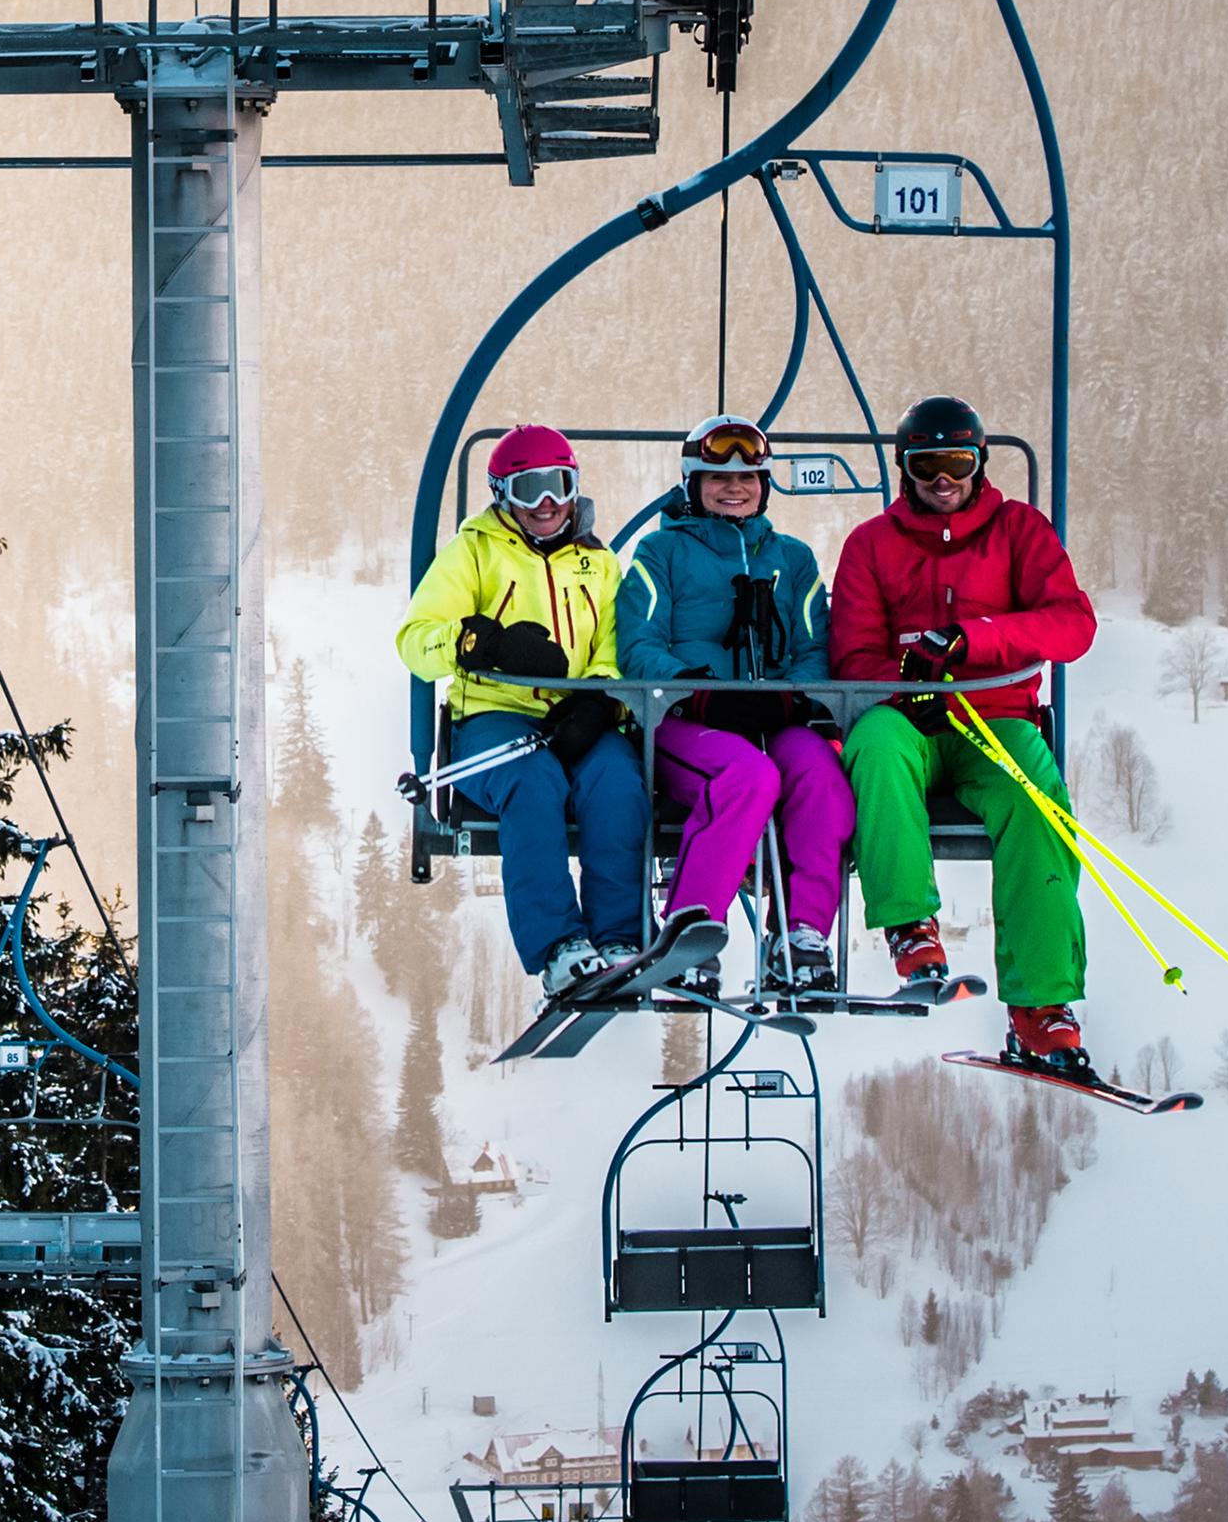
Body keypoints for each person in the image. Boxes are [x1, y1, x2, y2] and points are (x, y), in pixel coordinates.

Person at [829, 395, 1101, 1077]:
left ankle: (1041, 1004)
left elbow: (1071, 624)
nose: (943, 478)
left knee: (1035, 800)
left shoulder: (1019, 532)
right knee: (877, 749)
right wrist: (902, 685)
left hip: (993, 716)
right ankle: (911, 927)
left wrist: (975, 641)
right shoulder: (872, 545)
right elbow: (853, 655)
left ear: (979, 462)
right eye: (927, 464)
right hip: (910, 716)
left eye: (958, 461)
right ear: (905, 469)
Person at [401, 424, 653, 999]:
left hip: (580, 717)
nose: (546, 504)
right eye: (529, 488)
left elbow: (617, 646)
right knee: (531, 781)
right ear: (501, 495)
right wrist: (474, 643)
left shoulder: (598, 562)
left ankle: (619, 939)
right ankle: (560, 946)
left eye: (558, 485)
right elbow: (415, 642)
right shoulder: (474, 552)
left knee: (617, 780)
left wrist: (598, 697)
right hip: (495, 716)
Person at [616, 414, 854, 997]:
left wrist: (787, 698)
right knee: (746, 777)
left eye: (748, 477)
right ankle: (692, 927)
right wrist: (696, 690)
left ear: (764, 484)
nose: (735, 488)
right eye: (718, 478)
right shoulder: (661, 552)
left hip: (772, 717)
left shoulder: (792, 560)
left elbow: (813, 646)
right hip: (687, 722)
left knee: (823, 779)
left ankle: (800, 937)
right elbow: (638, 644)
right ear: (693, 485)